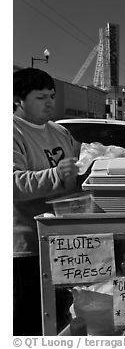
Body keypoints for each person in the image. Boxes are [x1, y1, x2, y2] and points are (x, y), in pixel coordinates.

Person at [13, 68, 81, 335]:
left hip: (62, 242)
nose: (50, 103)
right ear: (19, 99)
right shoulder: (11, 131)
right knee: (29, 321)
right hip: (26, 247)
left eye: (51, 96)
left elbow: (71, 175)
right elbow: (13, 183)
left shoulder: (60, 132)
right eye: (41, 97)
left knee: (62, 320)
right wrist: (56, 174)